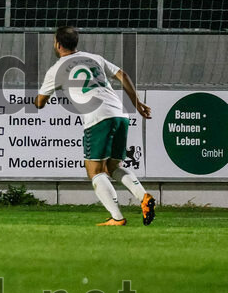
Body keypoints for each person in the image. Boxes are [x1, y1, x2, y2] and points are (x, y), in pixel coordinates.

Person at [34, 26, 155, 226]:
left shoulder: (56, 69)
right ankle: (144, 197)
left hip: (98, 117)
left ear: (57, 44)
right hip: (119, 113)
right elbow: (123, 75)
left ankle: (117, 218)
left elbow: (39, 102)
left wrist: (39, 98)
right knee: (113, 166)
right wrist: (137, 103)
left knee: (95, 170)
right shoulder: (94, 58)